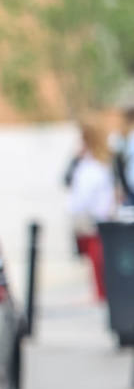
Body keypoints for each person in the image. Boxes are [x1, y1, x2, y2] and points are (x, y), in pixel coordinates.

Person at [67, 123, 118, 301]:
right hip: (93, 213)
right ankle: (99, 290)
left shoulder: (93, 165)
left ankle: (100, 292)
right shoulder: (88, 163)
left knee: (97, 254)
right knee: (92, 254)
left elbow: (86, 193)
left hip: (95, 214)